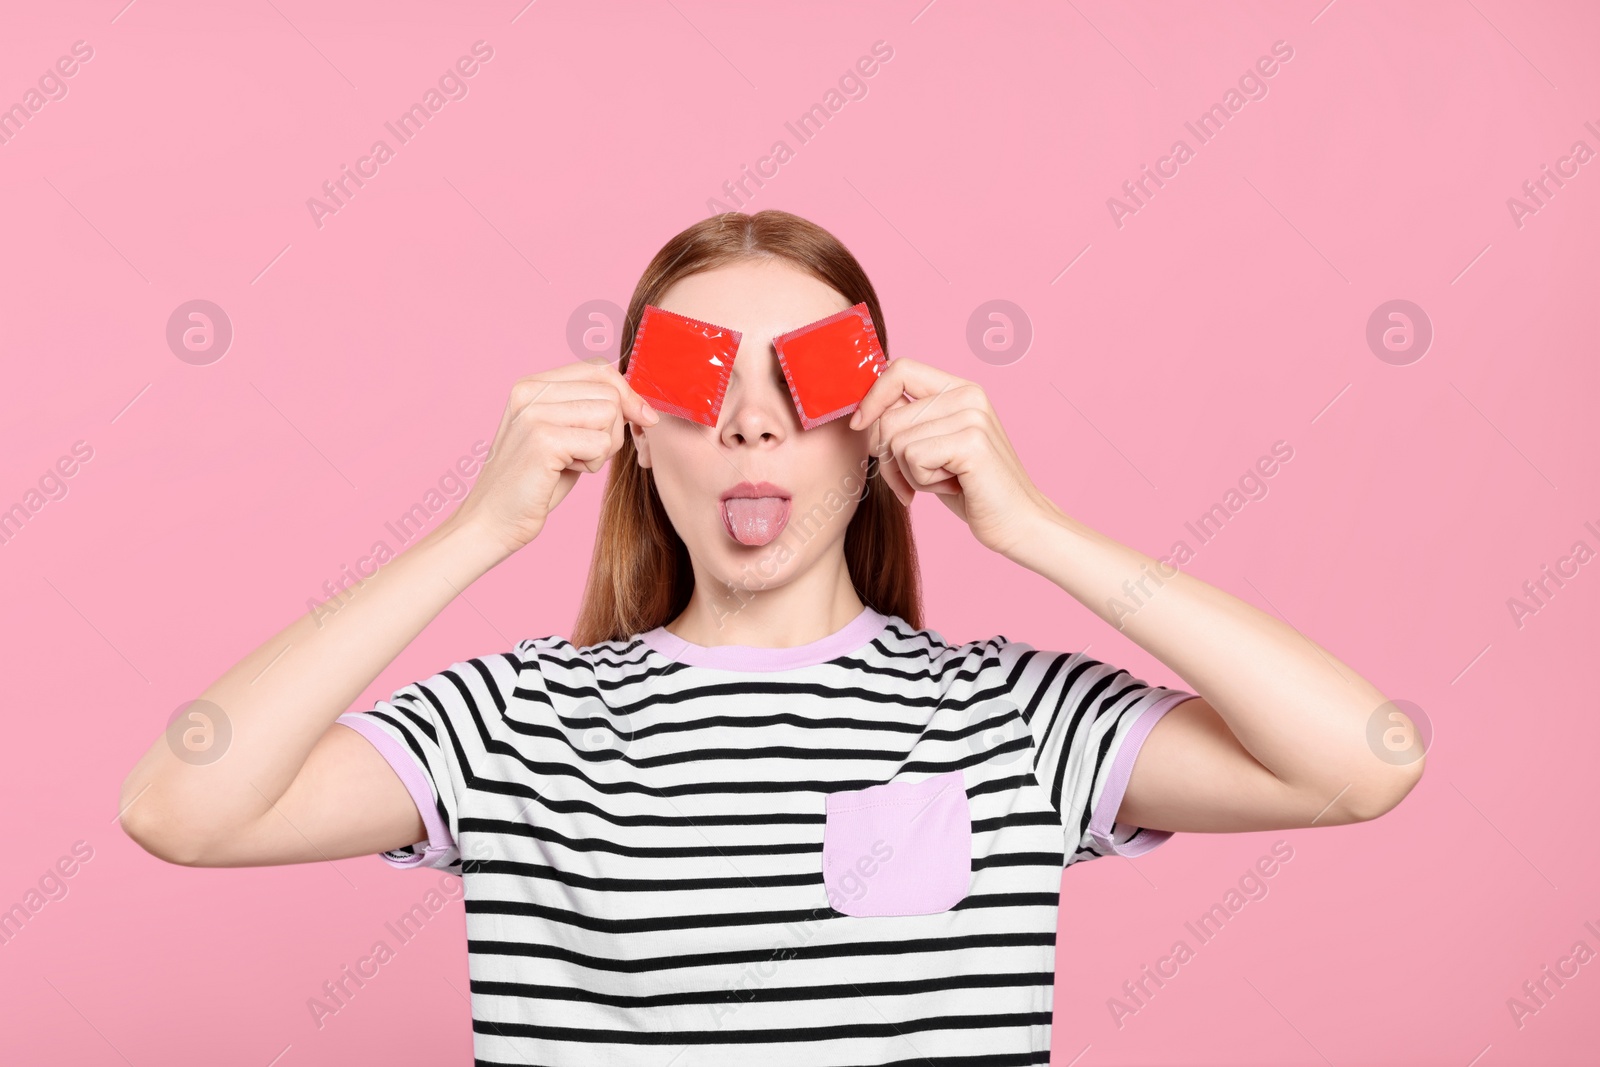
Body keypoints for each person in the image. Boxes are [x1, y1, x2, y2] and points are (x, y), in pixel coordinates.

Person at [118, 209, 1424, 1063]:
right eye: (700, 385)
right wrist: (474, 534)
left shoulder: (1012, 718)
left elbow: (1362, 759)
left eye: (804, 387)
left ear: (879, 425)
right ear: (636, 430)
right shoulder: (513, 723)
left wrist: (1034, 532)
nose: (750, 426)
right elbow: (185, 805)